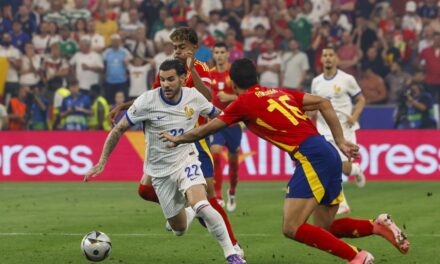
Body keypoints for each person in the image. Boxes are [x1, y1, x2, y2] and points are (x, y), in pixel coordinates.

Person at [160, 58, 410, 264]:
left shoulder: (243, 102)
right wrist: (341, 141)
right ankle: (377, 226)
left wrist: (178, 138)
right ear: (256, 78)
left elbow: (207, 129)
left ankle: (357, 257)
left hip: (311, 157)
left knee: (291, 227)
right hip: (329, 153)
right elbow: (324, 102)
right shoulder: (279, 92)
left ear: (233, 84)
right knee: (325, 227)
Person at [84, 60, 245, 264]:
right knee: (179, 229)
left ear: (182, 79)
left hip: (186, 159)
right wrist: (102, 162)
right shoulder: (147, 101)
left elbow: (220, 116)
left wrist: (246, 118)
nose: (166, 84)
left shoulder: (193, 97)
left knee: (203, 204)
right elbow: (119, 129)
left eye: (170, 79)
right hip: (159, 172)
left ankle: (232, 254)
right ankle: (188, 211)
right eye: (162, 79)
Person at [311, 46, 367, 215]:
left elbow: (361, 99)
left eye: (330, 55)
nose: (328, 58)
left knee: (344, 166)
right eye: (325, 55)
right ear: (321, 60)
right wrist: (307, 114)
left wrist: (354, 116)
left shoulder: (347, 79)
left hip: (345, 128)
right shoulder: (316, 82)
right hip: (324, 129)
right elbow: (314, 105)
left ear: (336, 59)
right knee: (330, 165)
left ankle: (356, 170)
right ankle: (341, 202)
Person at [209, 42, 242, 211]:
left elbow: (242, 96)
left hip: (234, 123)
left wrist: (228, 96)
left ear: (228, 54)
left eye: (222, 52)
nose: (220, 55)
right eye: (217, 52)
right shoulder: (210, 74)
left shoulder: (234, 73)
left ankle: (232, 191)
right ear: (213, 54)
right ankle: (218, 195)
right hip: (217, 122)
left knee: (233, 162)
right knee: (215, 152)